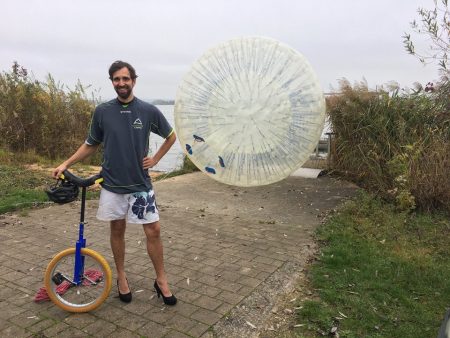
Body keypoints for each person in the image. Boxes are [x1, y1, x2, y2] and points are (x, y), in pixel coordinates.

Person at [52, 60, 177, 305]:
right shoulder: (103, 111)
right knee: (117, 230)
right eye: (116, 79)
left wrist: (156, 159)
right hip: (112, 184)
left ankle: (161, 279)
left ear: (133, 80)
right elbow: (91, 143)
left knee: (154, 230)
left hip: (140, 185)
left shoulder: (148, 111)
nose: (121, 83)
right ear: (112, 82)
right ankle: (121, 276)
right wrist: (66, 164)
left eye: (125, 79)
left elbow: (171, 136)